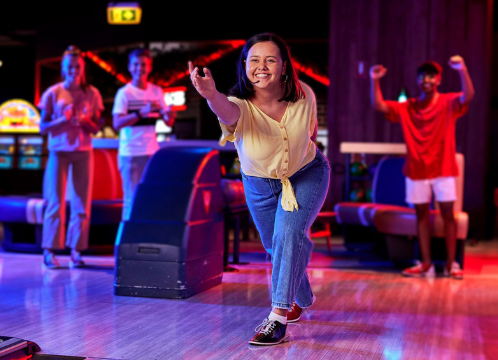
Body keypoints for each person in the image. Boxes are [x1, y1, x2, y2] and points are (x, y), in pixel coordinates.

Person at [189, 33, 329, 346]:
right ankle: (300, 290)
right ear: (245, 66)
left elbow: (312, 132)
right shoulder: (238, 104)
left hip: (307, 174)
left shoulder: (304, 93)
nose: (261, 66)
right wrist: (211, 95)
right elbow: (227, 113)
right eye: (254, 60)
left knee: (287, 236)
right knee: (276, 244)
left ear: (283, 66)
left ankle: (277, 318)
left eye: (269, 59)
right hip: (259, 184)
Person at [369, 56, 475, 279]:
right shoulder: (409, 106)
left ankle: (451, 264)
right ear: (418, 81)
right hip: (417, 169)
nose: (426, 80)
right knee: (421, 217)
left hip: (443, 167)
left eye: (430, 76)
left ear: (438, 80)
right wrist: (374, 79)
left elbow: (469, 96)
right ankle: (425, 263)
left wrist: (462, 69)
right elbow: (379, 105)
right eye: (422, 76)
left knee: (449, 216)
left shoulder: (448, 102)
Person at [38, 45, 104, 269]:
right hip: (59, 151)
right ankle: (49, 252)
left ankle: (76, 251)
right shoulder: (53, 93)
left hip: (83, 152)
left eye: (77, 67)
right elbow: (42, 127)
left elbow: (96, 128)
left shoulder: (92, 93)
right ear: (63, 68)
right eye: (70, 67)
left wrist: (85, 122)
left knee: (81, 204)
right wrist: (62, 120)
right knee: (55, 202)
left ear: (82, 68)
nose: (74, 70)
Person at [112, 48, 176, 220]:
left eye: (143, 65)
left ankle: (145, 238)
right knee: (131, 200)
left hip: (152, 152)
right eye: (136, 64)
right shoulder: (124, 93)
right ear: (130, 67)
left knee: (151, 197)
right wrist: (141, 112)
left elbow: (168, 122)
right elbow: (116, 123)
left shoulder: (156, 91)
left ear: (149, 67)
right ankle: (127, 242)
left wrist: (170, 115)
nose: (139, 68)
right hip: (131, 153)